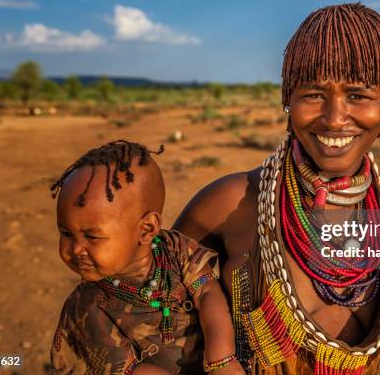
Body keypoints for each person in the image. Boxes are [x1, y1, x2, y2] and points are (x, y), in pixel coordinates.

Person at [174, 4, 380, 374]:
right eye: (313, 94)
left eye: (358, 95)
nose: (334, 119)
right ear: (288, 99)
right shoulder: (231, 204)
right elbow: (155, 304)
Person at [49, 140, 245, 374]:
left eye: (92, 237)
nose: (76, 249)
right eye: (66, 233)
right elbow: (132, 370)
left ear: (146, 229)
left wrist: (222, 360)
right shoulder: (87, 308)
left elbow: (206, 291)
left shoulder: (174, 249)